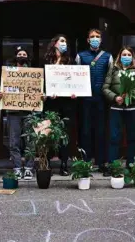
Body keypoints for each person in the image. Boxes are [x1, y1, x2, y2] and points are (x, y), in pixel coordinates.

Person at [102, 47, 135, 175]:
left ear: (132, 57)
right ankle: (113, 166)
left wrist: (131, 95)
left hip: (133, 108)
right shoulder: (113, 69)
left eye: (129, 54)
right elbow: (105, 88)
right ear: (119, 56)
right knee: (114, 137)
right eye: (124, 54)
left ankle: (131, 166)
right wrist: (115, 97)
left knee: (132, 138)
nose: (126, 57)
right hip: (116, 108)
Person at [75, 29, 113, 170]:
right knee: (85, 130)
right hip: (85, 99)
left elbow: (110, 77)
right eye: (92, 37)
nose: (95, 39)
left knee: (101, 130)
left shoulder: (108, 57)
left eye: (97, 37)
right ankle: (86, 161)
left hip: (101, 99)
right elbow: (75, 77)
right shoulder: (80, 56)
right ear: (88, 40)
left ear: (101, 40)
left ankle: (101, 161)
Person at [0, 46, 35, 180]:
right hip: (13, 112)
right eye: (20, 53)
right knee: (14, 142)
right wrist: (0, 93)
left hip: (30, 111)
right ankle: (17, 168)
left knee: (30, 141)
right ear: (16, 56)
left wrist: (43, 96)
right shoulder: (8, 73)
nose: (22, 55)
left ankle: (29, 168)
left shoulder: (33, 73)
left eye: (24, 54)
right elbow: (1, 89)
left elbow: (41, 90)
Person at [43, 34, 77, 176]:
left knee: (65, 133)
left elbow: (76, 80)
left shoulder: (70, 61)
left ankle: (64, 164)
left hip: (67, 102)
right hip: (51, 102)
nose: (64, 44)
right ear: (55, 43)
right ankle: (48, 164)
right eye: (62, 41)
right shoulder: (47, 61)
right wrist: (46, 92)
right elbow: (42, 81)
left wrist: (75, 92)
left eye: (66, 42)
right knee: (49, 132)